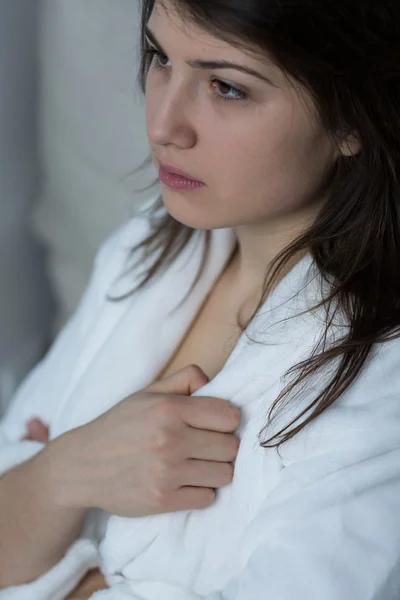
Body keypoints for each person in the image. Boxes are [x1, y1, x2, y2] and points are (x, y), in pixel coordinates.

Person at [1, 0, 400, 599]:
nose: (162, 124)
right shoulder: (150, 244)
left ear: (352, 120)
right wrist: (67, 471)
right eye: (160, 57)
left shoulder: (382, 384)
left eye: (226, 87)